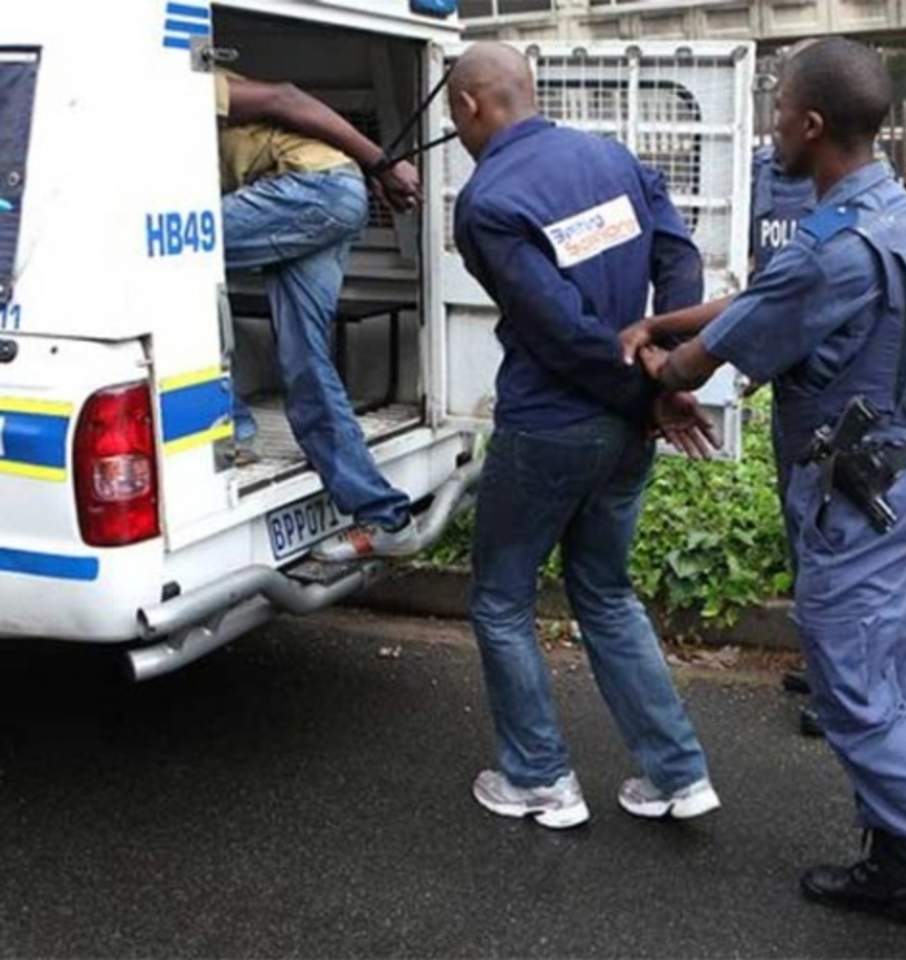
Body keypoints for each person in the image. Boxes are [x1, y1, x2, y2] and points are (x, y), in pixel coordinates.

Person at [622, 38, 906, 959]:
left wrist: (655, 360)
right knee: (888, 680)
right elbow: (765, 304)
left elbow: (707, 359)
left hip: (860, 501)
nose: (772, 123)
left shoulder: (831, 249)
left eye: (778, 108)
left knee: (853, 698)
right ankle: (898, 868)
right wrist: (673, 318)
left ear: (811, 124)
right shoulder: (903, 216)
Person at [446, 42, 721, 830]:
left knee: (502, 598)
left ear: (469, 106)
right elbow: (677, 254)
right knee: (603, 591)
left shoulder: (488, 202)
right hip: (627, 430)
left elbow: (561, 332)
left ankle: (538, 779)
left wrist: (654, 390)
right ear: (527, 88)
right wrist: (667, 372)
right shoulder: (612, 158)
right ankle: (678, 776)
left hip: (550, 426)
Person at [214, 70, 424, 561]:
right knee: (305, 360)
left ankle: (233, 428)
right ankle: (386, 517)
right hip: (328, 190)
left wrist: (382, 163)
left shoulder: (188, 79)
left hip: (310, 188)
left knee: (170, 259)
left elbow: (285, 97)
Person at [751, 57, 825, 739]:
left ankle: (842, 685)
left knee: (835, 542)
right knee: (802, 527)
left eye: (782, 111)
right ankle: (821, 659)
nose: (774, 125)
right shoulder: (757, 176)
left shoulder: (851, 199)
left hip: (834, 398)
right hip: (789, 385)